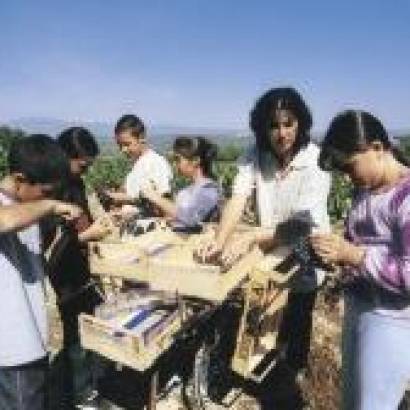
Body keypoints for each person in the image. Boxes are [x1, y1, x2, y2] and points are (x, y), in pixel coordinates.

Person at [198, 87, 330, 378]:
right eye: (273, 125)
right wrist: (219, 241)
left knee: (298, 311)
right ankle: (264, 364)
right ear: (262, 127)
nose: (282, 134)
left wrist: (249, 236)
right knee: (267, 310)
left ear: (301, 123)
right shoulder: (255, 155)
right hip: (271, 245)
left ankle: (292, 371)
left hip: (306, 249)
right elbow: (237, 198)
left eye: (288, 124)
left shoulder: (315, 162)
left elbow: (300, 224)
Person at [311, 110, 410, 410]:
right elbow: (359, 243)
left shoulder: (405, 199)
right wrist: (336, 256)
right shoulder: (365, 190)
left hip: (391, 319)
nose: (348, 176)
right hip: (359, 306)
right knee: (352, 400)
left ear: (378, 148)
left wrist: (353, 254)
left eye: (350, 166)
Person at [0, 134, 82, 410]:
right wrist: (49, 206)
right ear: (20, 179)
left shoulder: (27, 208)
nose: (51, 198)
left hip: (31, 339)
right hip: (11, 352)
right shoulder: (11, 208)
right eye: (46, 191)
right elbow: (4, 220)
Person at [42, 127, 112, 408]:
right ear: (65, 157)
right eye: (82, 165)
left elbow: (83, 219)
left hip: (82, 270)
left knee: (91, 325)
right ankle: (81, 394)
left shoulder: (75, 184)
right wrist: (87, 236)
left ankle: (90, 382)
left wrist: (100, 226)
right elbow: (50, 248)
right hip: (65, 277)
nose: (85, 171)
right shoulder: (50, 190)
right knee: (75, 334)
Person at [140, 136, 220, 229]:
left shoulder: (209, 190)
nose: (175, 164)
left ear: (195, 161)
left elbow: (190, 218)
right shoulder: (184, 192)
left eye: (178, 159)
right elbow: (179, 218)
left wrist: (155, 197)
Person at [105, 114, 172, 216]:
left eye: (127, 144)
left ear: (141, 138)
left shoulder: (156, 163)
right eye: (120, 145)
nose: (123, 150)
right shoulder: (137, 164)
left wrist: (121, 198)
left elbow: (164, 201)